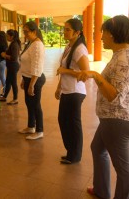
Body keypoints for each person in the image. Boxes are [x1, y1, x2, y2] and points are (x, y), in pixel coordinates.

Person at [77, 15, 129, 199]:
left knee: (124, 170)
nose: (100, 38)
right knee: (97, 148)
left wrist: (94, 75)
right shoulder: (120, 55)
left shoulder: (123, 58)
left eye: (103, 33)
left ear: (114, 34)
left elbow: (113, 95)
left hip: (117, 119)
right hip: (111, 118)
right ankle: (101, 190)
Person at [55, 18, 90, 164]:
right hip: (67, 90)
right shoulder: (70, 46)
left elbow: (86, 73)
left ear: (77, 32)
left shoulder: (79, 49)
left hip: (76, 91)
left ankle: (75, 156)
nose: (65, 31)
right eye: (64, 28)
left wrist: (66, 71)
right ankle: (70, 151)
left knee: (73, 123)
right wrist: (59, 87)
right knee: (63, 120)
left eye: (68, 29)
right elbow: (63, 70)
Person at [18, 21, 46, 140]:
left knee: (35, 105)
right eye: (23, 31)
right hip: (28, 78)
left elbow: (37, 66)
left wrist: (31, 85)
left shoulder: (37, 45)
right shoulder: (30, 43)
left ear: (34, 31)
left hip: (35, 79)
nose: (25, 34)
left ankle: (39, 130)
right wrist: (24, 79)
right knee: (29, 103)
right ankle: (31, 126)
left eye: (26, 32)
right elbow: (26, 63)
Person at [0, 29, 21, 105]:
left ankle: (15, 99)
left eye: (7, 35)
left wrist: (5, 55)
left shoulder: (14, 44)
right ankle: (4, 97)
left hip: (13, 66)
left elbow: (14, 57)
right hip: (11, 66)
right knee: (8, 82)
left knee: (13, 83)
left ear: (12, 36)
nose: (6, 37)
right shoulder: (12, 43)